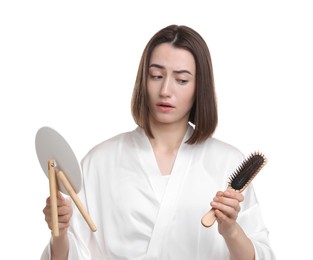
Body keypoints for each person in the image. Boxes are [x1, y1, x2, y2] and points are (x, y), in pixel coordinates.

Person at [41, 24, 275, 260]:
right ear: (143, 80)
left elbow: (262, 255)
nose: (165, 90)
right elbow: (72, 253)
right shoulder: (100, 161)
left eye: (182, 80)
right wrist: (59, 233)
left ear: (198, 87)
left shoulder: (226, 161)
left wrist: (231, 230)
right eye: (156, 76)